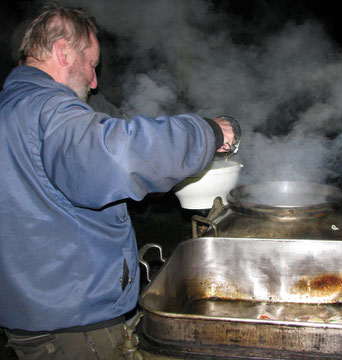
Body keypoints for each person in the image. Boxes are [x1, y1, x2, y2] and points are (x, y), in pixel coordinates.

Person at [0, 4, 234, 359]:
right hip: (73, 327)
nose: (95, 80)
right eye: (92, 65)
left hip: (33, 311)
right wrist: (208, 131)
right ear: (63, 52)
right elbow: (119, 158)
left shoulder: (13, 106)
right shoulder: (48, 109)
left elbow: (110, 130)